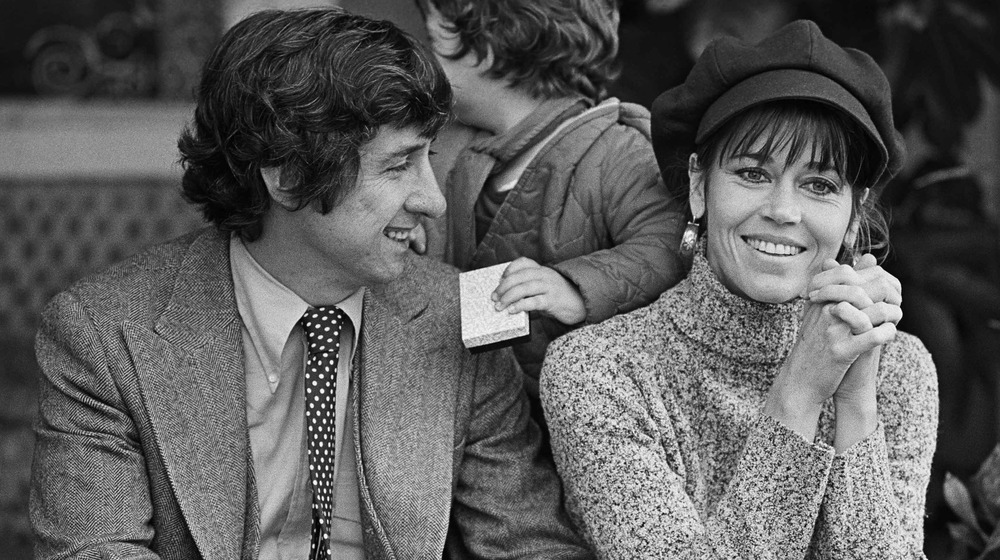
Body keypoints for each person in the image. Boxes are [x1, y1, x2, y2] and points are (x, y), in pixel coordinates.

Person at [30, 9, 592, 560]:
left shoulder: (459, 316)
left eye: (430, 158)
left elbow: (530, 542)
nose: (433, 200)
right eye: (398, 166)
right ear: (289, 177)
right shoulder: (104, 336)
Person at [541, 20, 938, 558]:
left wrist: (855, 399)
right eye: (753, 173)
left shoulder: (900, 370)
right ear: (699, 186)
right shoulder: (599, 370)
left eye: (819, 185)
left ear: (853, 216)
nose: (782, 210)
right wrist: (799, 392)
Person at [413, 0, 687, 406]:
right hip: (491, 408)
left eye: (434, 42)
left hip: (593, 411)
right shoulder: (461, 151)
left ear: (487, 48)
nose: (426, 63)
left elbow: (671, 247)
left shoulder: (617, 150)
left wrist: (577, 287)